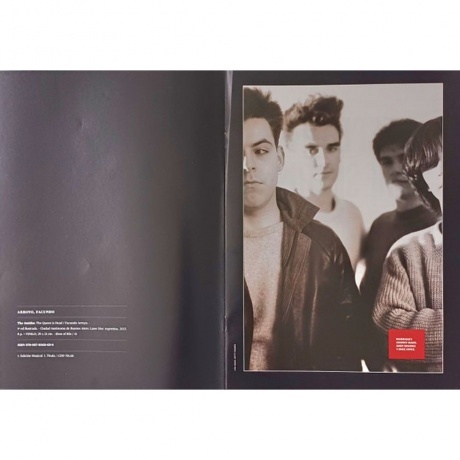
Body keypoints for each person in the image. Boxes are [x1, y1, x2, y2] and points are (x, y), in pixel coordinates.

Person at [242, 87, 362, 371]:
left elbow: (349, 352)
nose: (248, 165)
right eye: (236, 152)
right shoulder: (202, 248)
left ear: (280, 158)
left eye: (260, 151)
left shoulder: (325, 245)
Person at [360, 119, 438, 370]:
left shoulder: (440, 228)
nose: (396, 168)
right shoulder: (380, 226)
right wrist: (376, 359)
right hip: (383, 373)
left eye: (404, 157)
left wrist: (396, 351)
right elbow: (368, 302)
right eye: (387, 161)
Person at [283, 95, 364, 270]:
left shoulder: (352, 216)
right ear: (290, 154)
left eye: (332, 148)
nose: (324, 161)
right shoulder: (277, 217)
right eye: (311, 150)